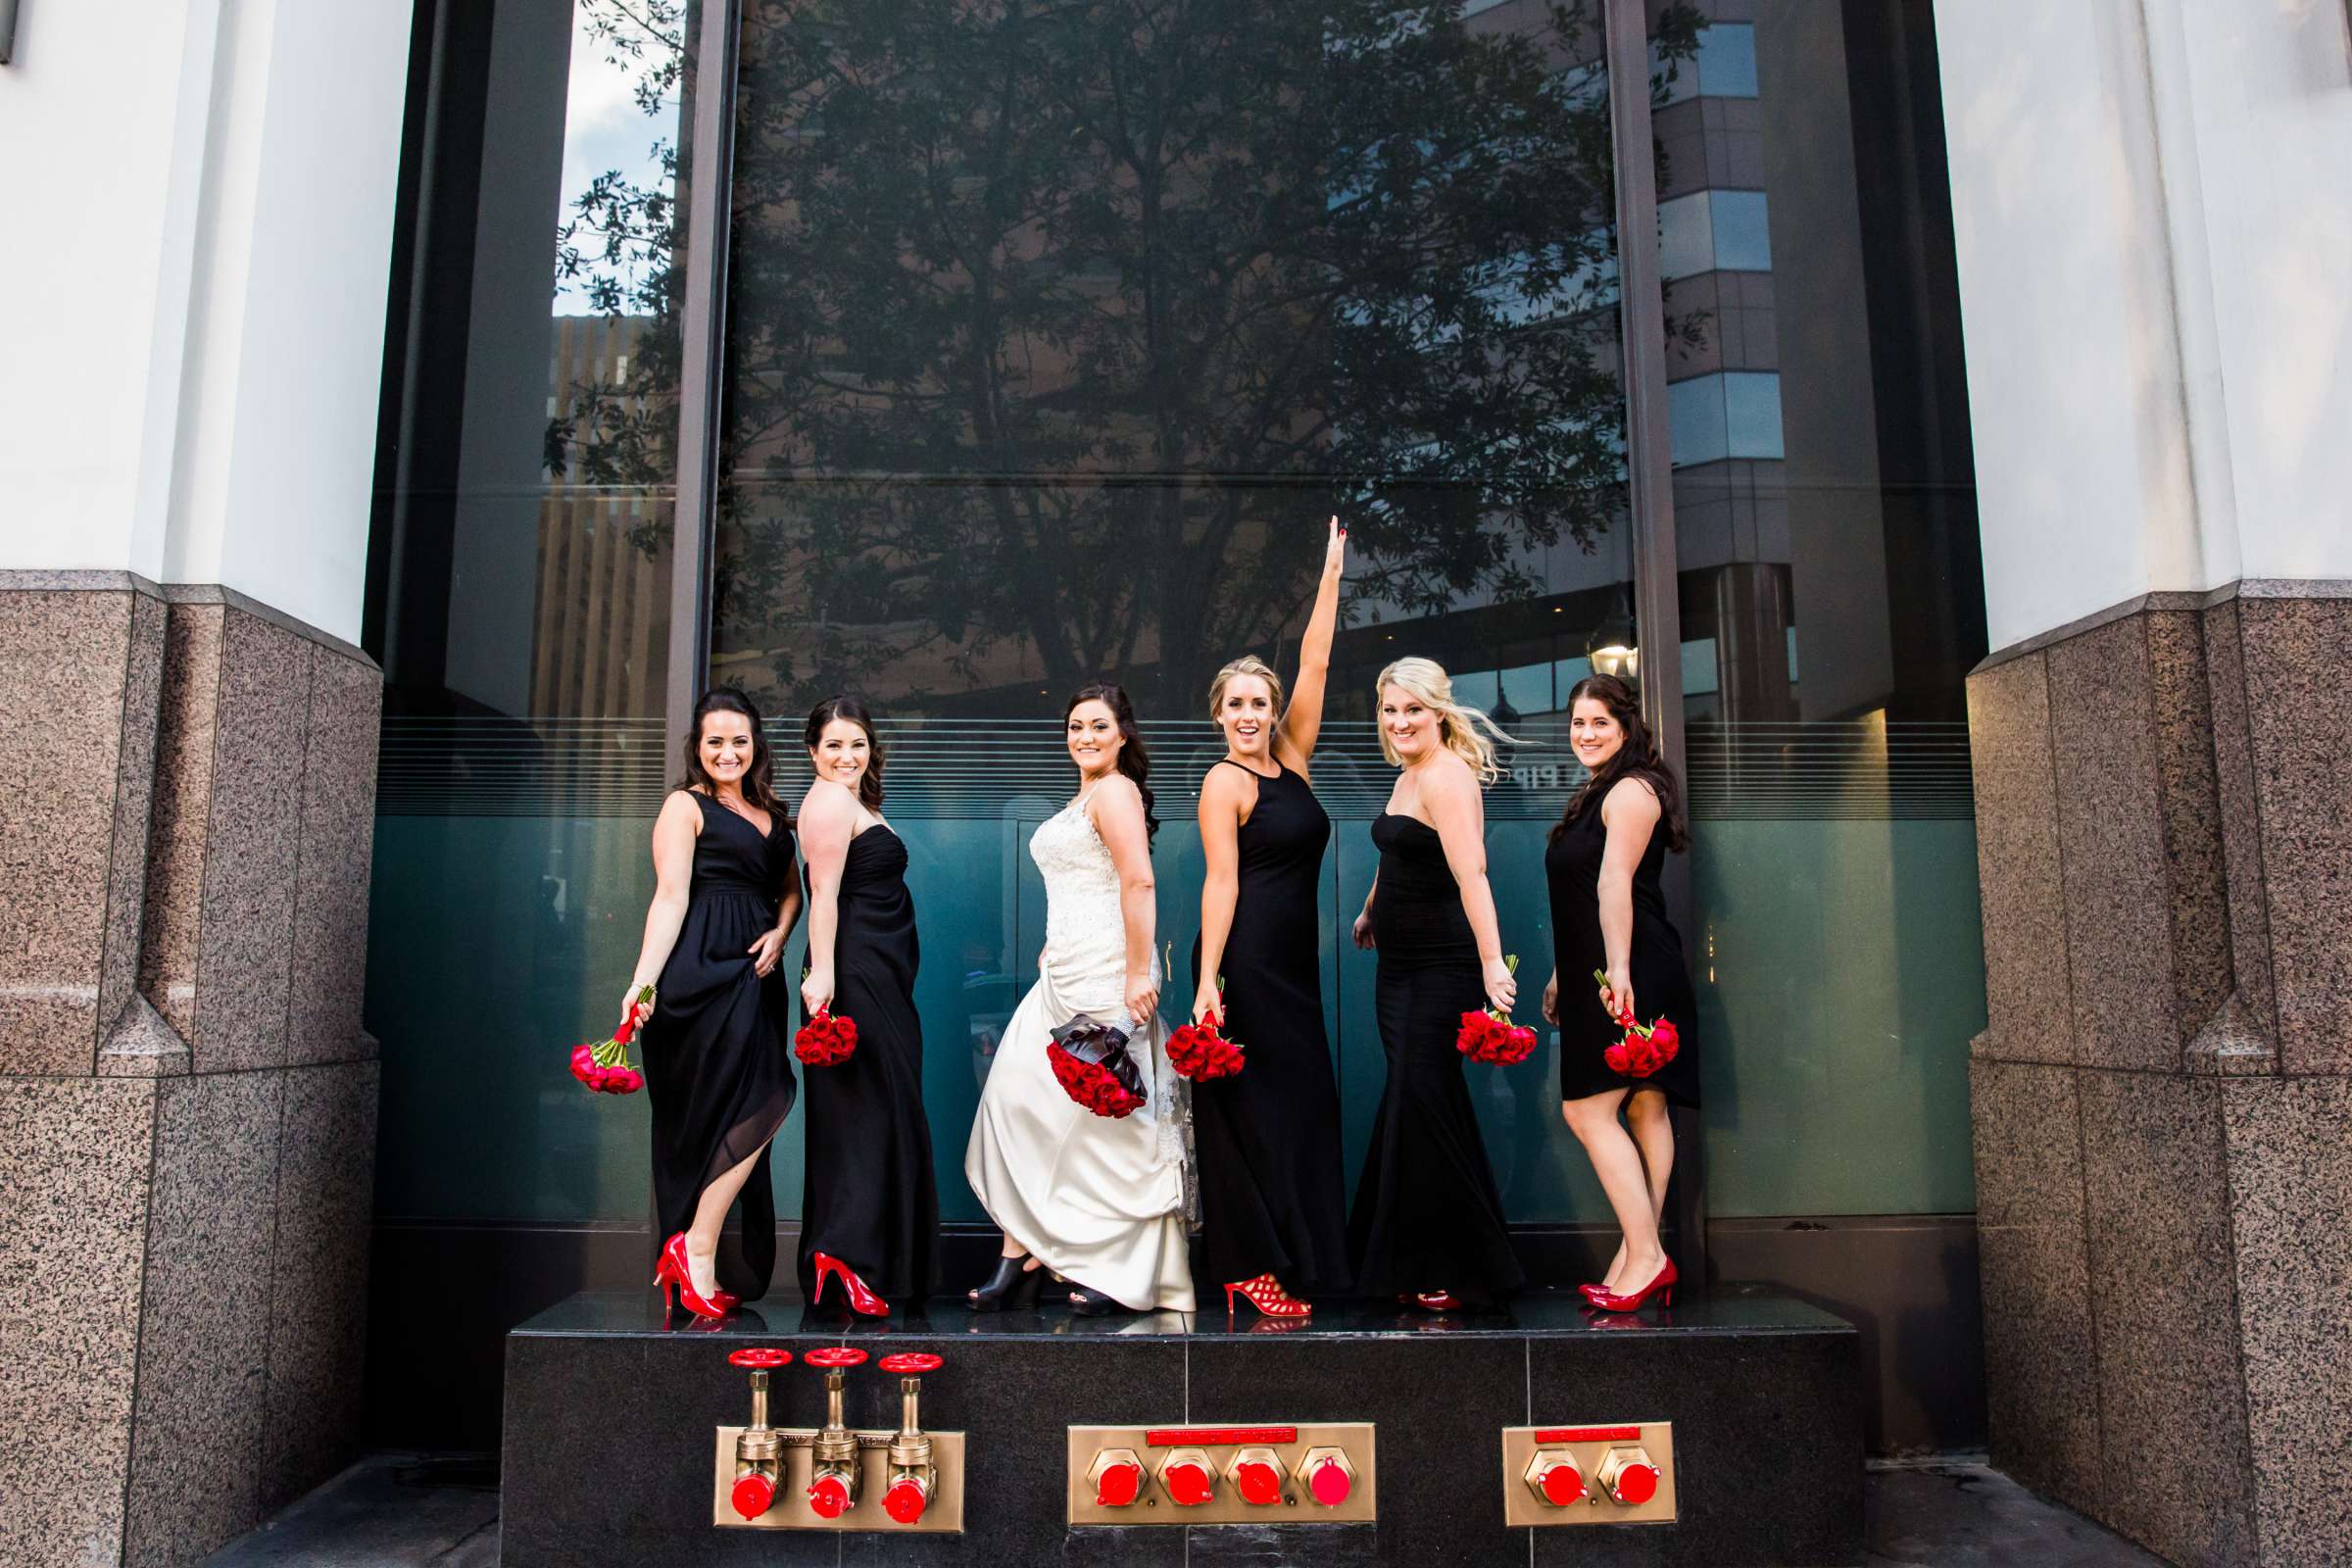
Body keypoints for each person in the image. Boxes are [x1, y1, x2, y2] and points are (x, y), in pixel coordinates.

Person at [964, 682, 1195, 1314]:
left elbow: (1138, 880)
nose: (1085, 737)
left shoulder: (1117, 790)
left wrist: (1138, 972)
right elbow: (1077, 885)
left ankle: (1118, 1269)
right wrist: (1050, 945)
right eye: (1075, 726)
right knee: (1021, 1104)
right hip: (1062, 971)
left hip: (1107, 975)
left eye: (1098, 726)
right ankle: (1025, 1253)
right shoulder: (1085, 795)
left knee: (1108, 1124)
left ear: (1123, 735)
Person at [1190, 517, 1349, 1318]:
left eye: (1260, 702)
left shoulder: (1294, 758)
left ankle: (1298, 1259)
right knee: (1251, 1116)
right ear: (1219, 714)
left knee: (1305, 1108)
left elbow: (1316, 658)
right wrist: (1209, 982)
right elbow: (1221, 884)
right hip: (1245, 963)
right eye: (1236, 705)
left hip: (1293, 966)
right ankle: (1249, 1265)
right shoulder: (1225, 783)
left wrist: (1327, 574)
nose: (1249, 714)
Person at [1347, 657, 1527, 1312]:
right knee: (1416, 1103)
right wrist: (1371, 909)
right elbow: (1397, 852)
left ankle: (1456, 1265)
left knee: (1424, 1104)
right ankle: (1413, 1258)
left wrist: (1491, 964)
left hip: (1439, 967)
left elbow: (1471, 874)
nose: (1399, 723)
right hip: (1396, 968)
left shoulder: (1447, 775)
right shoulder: (1410, 771)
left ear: (1439, 712)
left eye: (1413, 711)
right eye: (1390, 711)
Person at [625, 688, 801, 1319]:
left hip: (756, 976)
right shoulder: (685, 806)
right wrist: (643, 981)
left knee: (767, 1094)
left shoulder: (775, 816)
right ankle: (695, 1248)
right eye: (715, 741)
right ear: (698, 749)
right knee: (737, 1106)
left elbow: (791, 893)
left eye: (739, 740)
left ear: (756, 746)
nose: (728, 752)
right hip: (697, 974)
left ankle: (691, 1247)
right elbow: (669, 899)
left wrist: (782, 932)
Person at [1543, 673, 1696, 1314]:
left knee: (1588, 1112)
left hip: (1628, 970)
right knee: (1643, 1111)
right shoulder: (1598, 791)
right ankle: (1640, 1255)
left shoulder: (1632, 792)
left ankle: (1647, 1254)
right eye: (1577, 723)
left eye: (1599, 722)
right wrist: (1561, 972)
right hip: (1601, 969)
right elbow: (1579, 900)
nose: (1585, 734)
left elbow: (1613, 889)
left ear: (1627, 726)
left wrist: (1619, 972)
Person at [794, 696, 940, 1316]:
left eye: (857, 743)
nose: (847, 756)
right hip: (852, 974)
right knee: (864, 1113)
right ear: (813, 753)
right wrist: (823, 975)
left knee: (877, 1107)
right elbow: (822, 895)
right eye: (833, 745)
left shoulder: (853, 801)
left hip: (879, 972)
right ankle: (846, 1254)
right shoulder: (827, 800)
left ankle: (852, 1255)